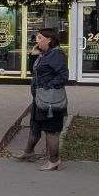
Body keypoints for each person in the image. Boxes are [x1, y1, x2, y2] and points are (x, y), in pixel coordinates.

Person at [14, 29, 68, 170]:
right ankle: (29, 152)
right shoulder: (44, 54)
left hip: (50, 100)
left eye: (39, 38)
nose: (36, 40)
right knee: (35, 125)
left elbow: (63, 77)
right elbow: (34, 72)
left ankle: (54, 160)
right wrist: (33, 55)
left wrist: (46, 87)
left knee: (51, 130)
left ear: (49, 39)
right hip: (39, 99)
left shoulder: (56, 54)